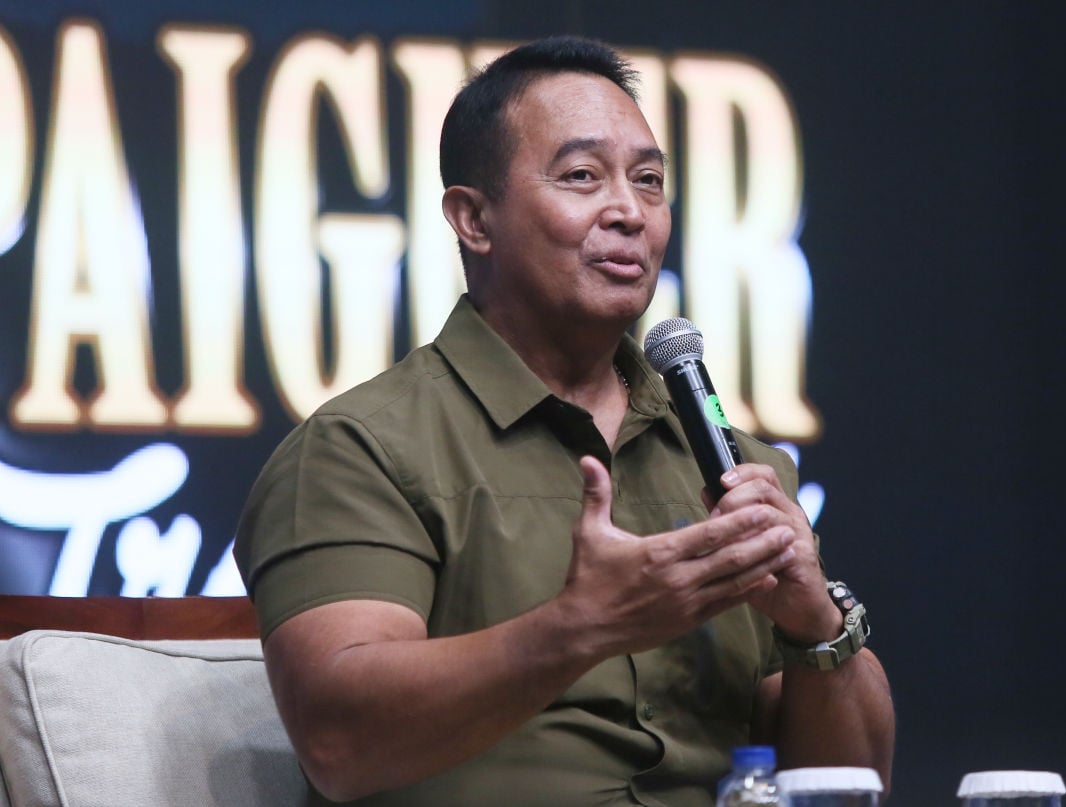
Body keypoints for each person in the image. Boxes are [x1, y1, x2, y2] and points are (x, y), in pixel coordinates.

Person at [235, 35, 894, 806]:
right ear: (473, 218)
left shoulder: (740, 471)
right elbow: (340, 743)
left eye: (649, 182)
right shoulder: (360, 449)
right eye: (582, 176)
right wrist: (579, 626)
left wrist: (817, 625)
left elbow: (850, 787)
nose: (629, 212)